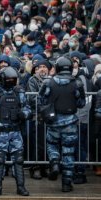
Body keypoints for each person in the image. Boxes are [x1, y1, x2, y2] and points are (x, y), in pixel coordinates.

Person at [0, 66, 31, 197]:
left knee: (19, 160)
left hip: (15, 132)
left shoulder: (19, 92)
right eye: (8, 79)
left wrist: (23, 114)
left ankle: (21, 187)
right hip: (0, 133)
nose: (10, 81)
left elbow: (28, 109)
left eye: (12, 79)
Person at [39, 56, 86, 192]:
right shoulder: (77, 83)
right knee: (68, 153)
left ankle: (54, 162)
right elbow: (81, 103)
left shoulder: (48, 82)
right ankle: (66, 183)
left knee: (52, 145)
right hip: (70, 122)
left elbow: (42, 100)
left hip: (53, 121)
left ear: (57, 67)